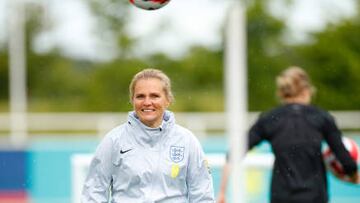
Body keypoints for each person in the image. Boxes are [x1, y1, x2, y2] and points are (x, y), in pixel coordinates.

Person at [217, 66, 359, 203]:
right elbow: (345, 160)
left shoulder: (270, 119)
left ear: (280, 93)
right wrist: (353, 176)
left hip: (282, 196)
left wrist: (222, 192)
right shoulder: (322, 118)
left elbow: (234, 154)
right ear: (307, 90)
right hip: (314, 196)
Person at [81, 68, 215, 202]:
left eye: (154, 96)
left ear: (167, 100)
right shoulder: (113, 140)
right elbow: (94, 193)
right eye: (140, 96)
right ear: (132, 100)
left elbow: (202, 195)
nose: (147, 102)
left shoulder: (187, 140)